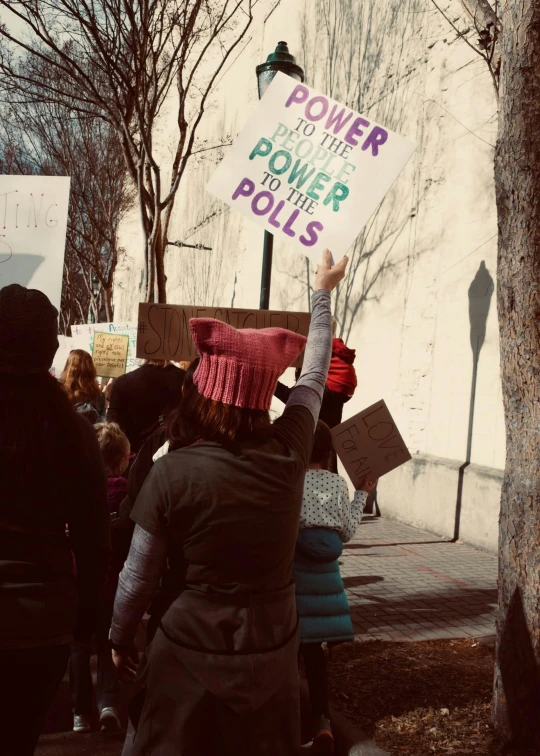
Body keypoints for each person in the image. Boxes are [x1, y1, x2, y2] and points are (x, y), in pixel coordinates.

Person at [108, 250, 348, 756]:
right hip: (272, 664)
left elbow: (138, 577)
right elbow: (312, 377)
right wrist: (322, 293)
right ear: (263, 395)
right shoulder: (290, 453)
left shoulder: (172, 471)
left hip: (185, 663)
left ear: (201, 392)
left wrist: (119, 635)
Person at [0, 284, 110, 756]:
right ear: (49, 347)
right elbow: (93, 539)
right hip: (43, 622)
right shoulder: (76, 431)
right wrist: (86, 619)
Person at [294, 419, 377, 753]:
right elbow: (347, 531)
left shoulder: (290, 482)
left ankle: (290, 723)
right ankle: (323, 721)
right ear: (328, 452)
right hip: (326, 580)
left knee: (290, 652)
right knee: (316, 656)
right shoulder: (338, 484)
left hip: (296, 580)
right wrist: (363, 493)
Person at [70, 422, 132, 734]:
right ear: (123, 460)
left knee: (79, 645)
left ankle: (80, 712)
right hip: (116, 584)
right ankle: (108, 703)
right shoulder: (129, 497)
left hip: (80, 581)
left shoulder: (78, 493)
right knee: (108, 642)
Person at [107, 359, 186, 454]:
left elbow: (114, 430)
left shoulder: (122, 382)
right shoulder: (186, 380)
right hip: (177, 456)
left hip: (133, 458)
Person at [61, 348, 106, 424]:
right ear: (91, 369)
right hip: (90, 435)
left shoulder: (59, 392)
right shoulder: (99, 395)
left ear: (68, 367)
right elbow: (102, 422)